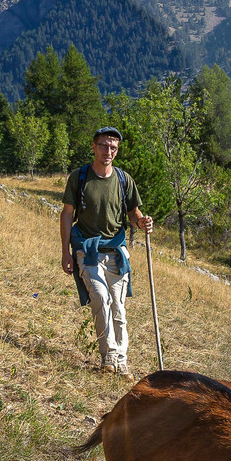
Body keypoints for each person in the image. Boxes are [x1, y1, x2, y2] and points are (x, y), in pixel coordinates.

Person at [61, 127, 153, 375]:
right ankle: (109, 356)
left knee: (119, 308)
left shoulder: (124, 180)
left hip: (117, 251)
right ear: (93, 146)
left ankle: (121, 362)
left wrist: (142, 222)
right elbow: (67, 213)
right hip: (87, 249)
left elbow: (134, 214)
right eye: (103, 145)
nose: (108, 151)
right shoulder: (79, 177)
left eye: (113, 147)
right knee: (101, 298)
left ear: (117, 150)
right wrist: (65, 251)